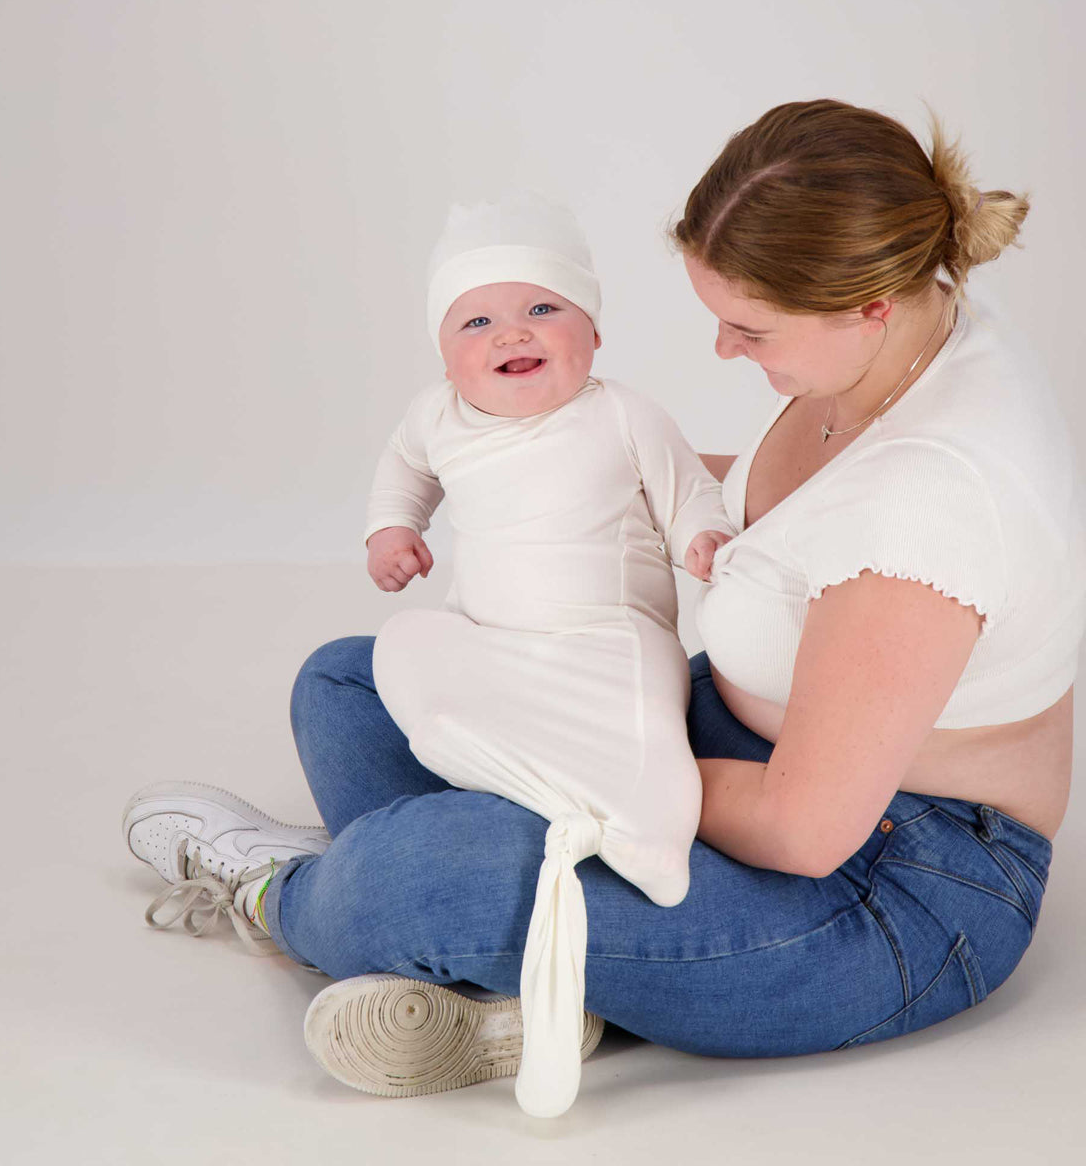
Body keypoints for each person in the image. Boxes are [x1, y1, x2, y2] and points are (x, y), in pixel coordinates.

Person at [122, 99, 1085, 1120]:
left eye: (749, 327)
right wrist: (549, 471)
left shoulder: (933, 503)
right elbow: (777, 509)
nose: (719, 350)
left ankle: (299, 896)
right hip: (742, 740)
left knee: (420, 877)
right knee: (348, 682)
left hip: (885, 887)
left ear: (867, 305)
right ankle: (539, 975)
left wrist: (577, 765)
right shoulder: (911, 327)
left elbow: (808, 829)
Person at [362, 191, 737, 1116]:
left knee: (647, 717)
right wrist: (391, 531)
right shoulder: (435, 417)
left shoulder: (624, 416)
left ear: (593, 335)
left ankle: (619, 822)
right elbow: (401, 474)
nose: (510, 334)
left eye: (542, 309)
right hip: (492, 641)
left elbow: (689, 488)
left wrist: (702, 540)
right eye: (477, 320)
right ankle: (515, 781)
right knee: (399, 649)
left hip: (611, 639)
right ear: (445, 352)